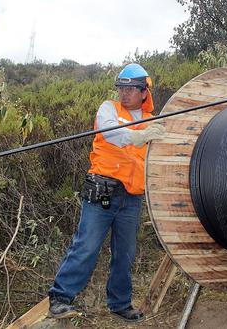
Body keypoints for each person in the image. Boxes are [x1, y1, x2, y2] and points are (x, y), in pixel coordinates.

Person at [47, 63, 165, 322]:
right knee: (86, 245)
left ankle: (120, 304)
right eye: (121, 88)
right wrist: (139, 136)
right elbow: (109, 132)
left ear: (144, 91)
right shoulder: (109, 108)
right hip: (102, 192)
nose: (124, 93)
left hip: (131, 198)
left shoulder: (152, 123)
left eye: (131, 88)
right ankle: (60, 298)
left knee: (125, 254)